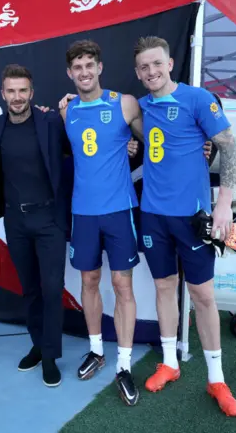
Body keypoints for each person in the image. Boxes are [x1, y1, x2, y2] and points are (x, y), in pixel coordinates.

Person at [133, 36, 236, 417]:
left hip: (193, 216)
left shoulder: (197, 98)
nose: (151, 72)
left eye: (157, 64)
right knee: (164, 287)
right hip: (152, 216)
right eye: (144, 67)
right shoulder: (143, 105)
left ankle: (216, 378)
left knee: (203, 296)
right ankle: (170, 363)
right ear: (138, 72)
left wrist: (224, 203)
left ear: (170, 62)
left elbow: (228, 146)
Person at [59, 39, 145, 406]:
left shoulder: (123, 103)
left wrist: (137, 147)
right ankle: (96, 350)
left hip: (119, 209)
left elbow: (155, 140)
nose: (84, 72)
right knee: (89, 281)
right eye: (77, 67)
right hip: (83, 212)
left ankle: (124, 365)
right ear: (69, 73)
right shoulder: (68, 111)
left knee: (122, 285)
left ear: (99, 67)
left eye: (89, 65)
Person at [0, 64, 71, 387]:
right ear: (3, 93)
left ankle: (50, 355)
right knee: (29, 288)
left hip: (49, 220)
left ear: (32, 92)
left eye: (23, 90)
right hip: (15, 220)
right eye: (11, 91)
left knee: (52, 288)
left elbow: (85, 151)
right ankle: (37, 344)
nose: (17, 97)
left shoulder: (51, 122)